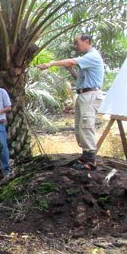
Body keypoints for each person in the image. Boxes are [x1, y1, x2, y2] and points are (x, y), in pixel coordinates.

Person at [37, 33, 105, 170]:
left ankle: (91, 159)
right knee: (80, 126)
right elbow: (78, 79)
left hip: (90, 95)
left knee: (86, 125)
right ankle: (85, 155)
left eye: (77, 42)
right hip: (83, 94)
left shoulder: (92, 56)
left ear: (86, 41)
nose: (76, 46)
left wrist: (51, 64)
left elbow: (72, 61)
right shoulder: (87, 60)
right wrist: (71, 70)